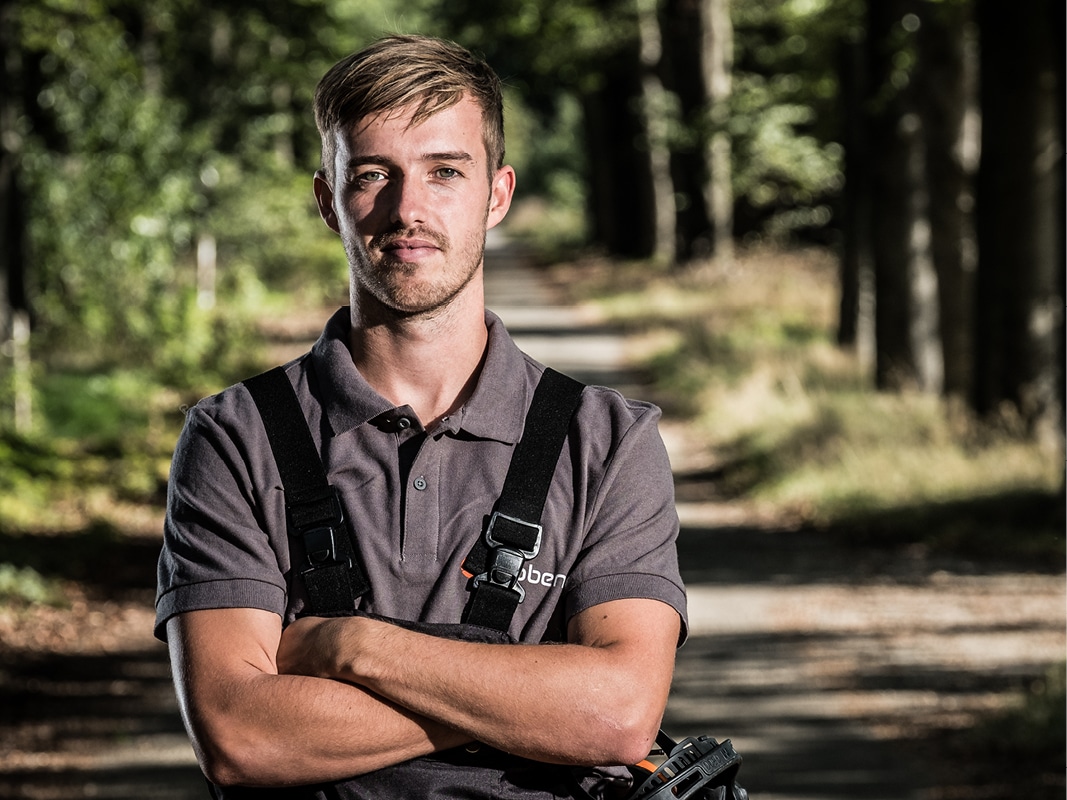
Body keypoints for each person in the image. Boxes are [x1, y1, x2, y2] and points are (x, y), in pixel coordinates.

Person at [155, 34, 687, 799]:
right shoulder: (234, 438)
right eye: (373, 175)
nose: (408, 209)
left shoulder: (607, 441)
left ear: (496, 195)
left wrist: (352, 648)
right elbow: (241, 738)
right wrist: (530, 699)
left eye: (445, 173)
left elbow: (618, 716)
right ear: (326, 201)